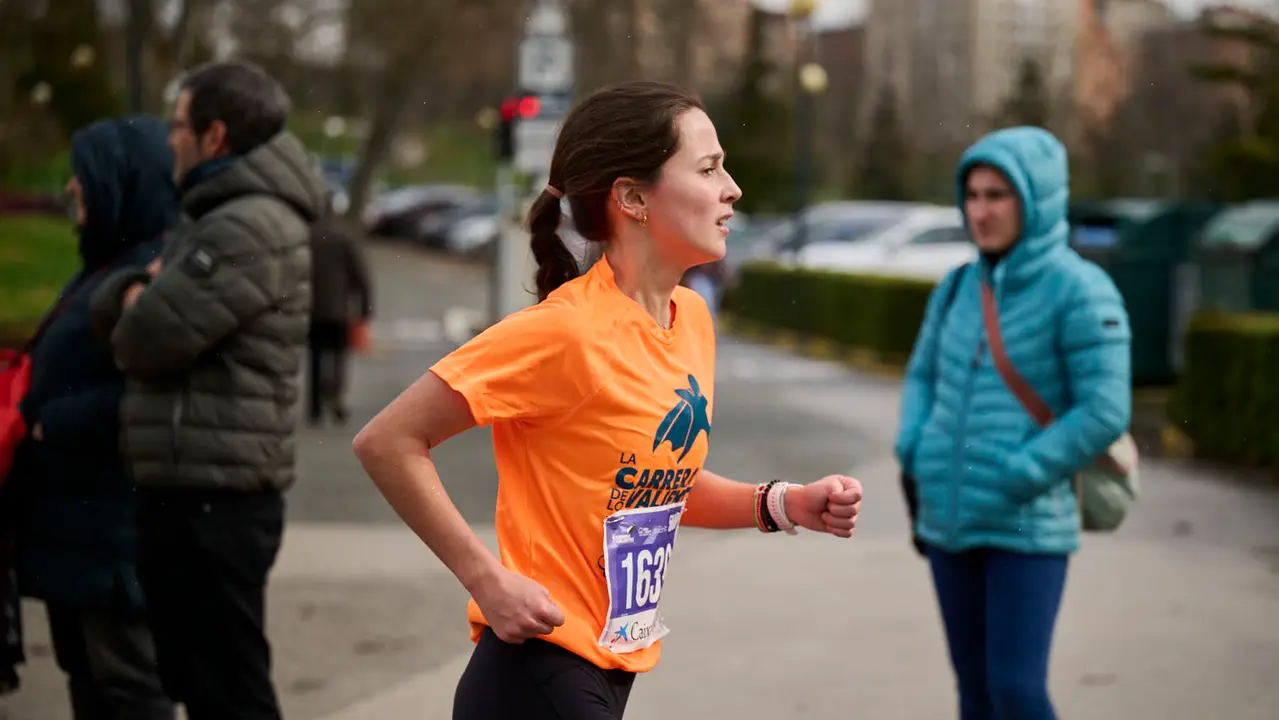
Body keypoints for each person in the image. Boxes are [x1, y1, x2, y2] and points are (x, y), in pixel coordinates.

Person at [352, 80, 864, 720]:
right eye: (708, 169)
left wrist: (781, 504)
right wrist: (485, 577)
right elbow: (388, 441)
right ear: (632, 197)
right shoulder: (565, 332)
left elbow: (651, 484)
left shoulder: (692, 318)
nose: (732, 188)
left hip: (608, 668)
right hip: (536, 672)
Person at [89, 61, 327, 720]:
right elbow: (139, 306)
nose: (169, 139)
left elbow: (145, 339)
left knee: (228, 687)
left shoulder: (245, 225)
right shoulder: (223, 213)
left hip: (215, 500)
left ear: (215, 136)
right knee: (205, 680)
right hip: (200, 489)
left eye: (178, 126)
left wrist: (137, 295)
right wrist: (135, 290)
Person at [894, 126, 1132, 720]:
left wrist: (1024, 471)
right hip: (947, 518)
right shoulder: (955, 287)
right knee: (974, 694)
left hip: (1027, 521)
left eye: (998, 195)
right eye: (972, 195)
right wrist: (913, 446)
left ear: (1039, 199)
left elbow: (1105, 408)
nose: (981, 210)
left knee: (1017, 692)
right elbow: (922, 376)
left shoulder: (1080, 290)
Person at [9, 115, 178, 720]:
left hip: (113, 539)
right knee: (92, 685)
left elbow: (155, 393)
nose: (72, 189)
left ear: (122, 181)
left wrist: (50, 421)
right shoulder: (110, 264)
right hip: (78, 535)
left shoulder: (150, 274)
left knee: (127, 691)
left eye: (85, 176)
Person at [307, 192, 373, 425]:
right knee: (338, 357)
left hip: (312, 308)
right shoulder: (345, 235)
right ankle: (335, 397)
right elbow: (360, 275)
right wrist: (365, 306)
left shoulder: (309, 235)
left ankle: (314, 405)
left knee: (315, 357)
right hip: (339, 309)